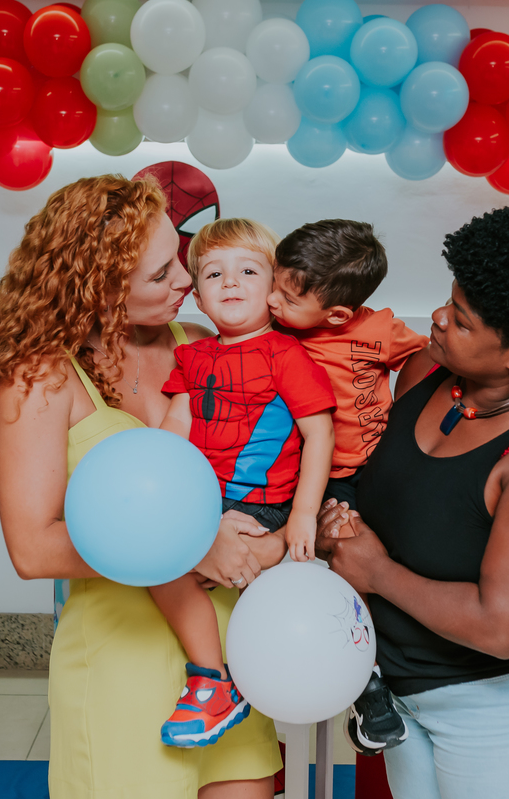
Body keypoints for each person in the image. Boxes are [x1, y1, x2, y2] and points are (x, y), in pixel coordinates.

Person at [0, 175, 283, 799]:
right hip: (119, 664)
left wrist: (271, 544)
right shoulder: (41, 377)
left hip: (230, 665)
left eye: (180, 261)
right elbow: (32, 549)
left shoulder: (208, 347)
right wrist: (187, 543)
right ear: (97, 286)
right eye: (161, 275)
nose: (187, 282)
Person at [316, 203, 509, 799]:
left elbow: (502, 626)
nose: (437, 319)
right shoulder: (425, 376)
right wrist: (339, 517)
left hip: (507, 704)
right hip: (408, 687)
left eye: (461, 320)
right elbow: (380, 491)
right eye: (448, 300)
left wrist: (375, 571)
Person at [155, 218, 336, 748]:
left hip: (264, 505)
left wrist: (304, 514)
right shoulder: (192, 355)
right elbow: (175, 427)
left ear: (275, 288)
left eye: (248, 270)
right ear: (199, 300)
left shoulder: (287, 355)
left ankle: (224, 682)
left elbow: (318, 435)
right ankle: (213, 678)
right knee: (158, 559)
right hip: (202, 500)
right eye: (213, 274)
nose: (230, 283)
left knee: (190, 566)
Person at [265, 219, 430, 755]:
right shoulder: (280, 337)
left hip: (381, 466)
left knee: (401, 555)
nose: (271, 301)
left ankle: (402, 666)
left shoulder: (379, 329)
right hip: (324, 474)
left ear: (337, 314)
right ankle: (366, 685)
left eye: (287, 297)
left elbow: (430, 357)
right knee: (347, 558)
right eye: (274, 284)